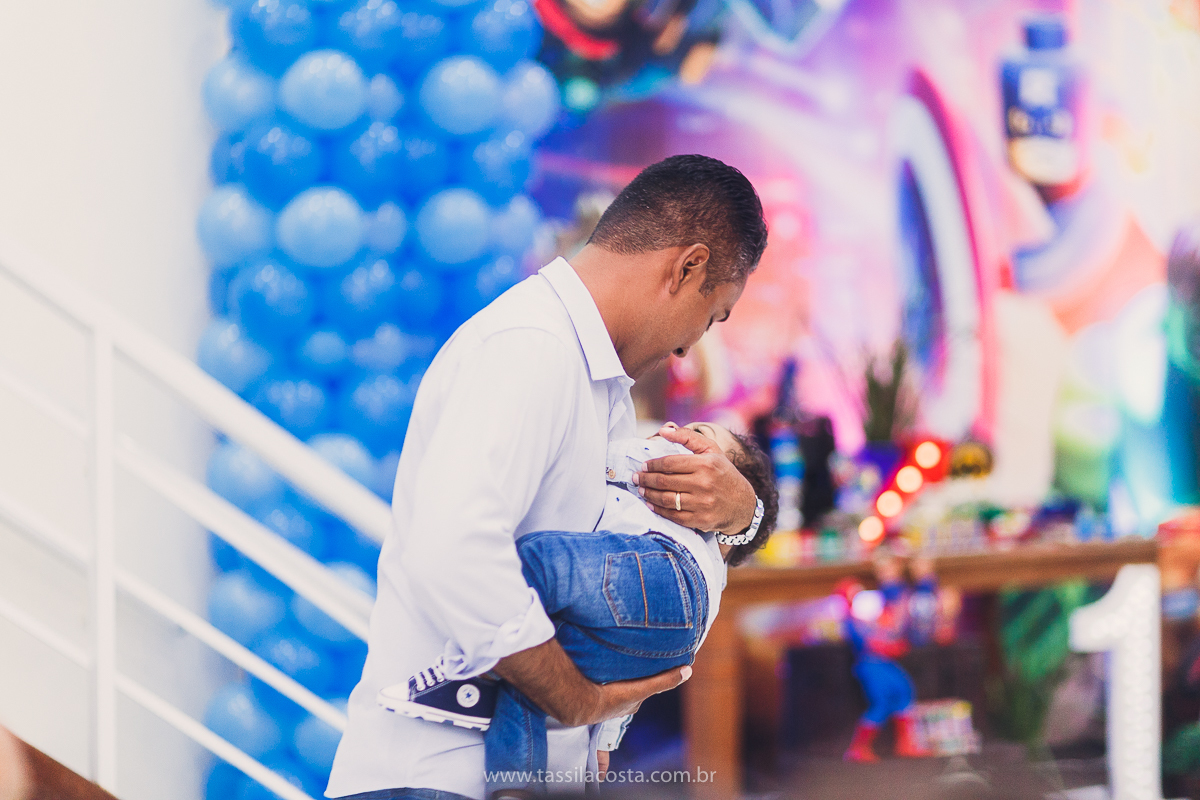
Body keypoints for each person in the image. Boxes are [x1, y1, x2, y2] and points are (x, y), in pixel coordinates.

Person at [325, 154, 769, 800]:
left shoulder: (594, 378)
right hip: (439, 780)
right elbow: (454, 553)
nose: (689, 347)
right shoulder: (530, 347)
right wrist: (575, 699)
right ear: (687, 267)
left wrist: (744, 511)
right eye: (712, 316)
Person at [378, 422, 780, 797]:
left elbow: (602, 460)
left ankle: (465, 669)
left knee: (536, 560)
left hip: (661, 569)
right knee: (535, 673)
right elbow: (637, 668)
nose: (674, 429)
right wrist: (605, 739)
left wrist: (587, 450)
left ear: (722, 485)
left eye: (697, 433)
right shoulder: (710, 584)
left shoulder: (666, 475)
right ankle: (515, 787)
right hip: (653, 634)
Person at [839, 552, 937, 762]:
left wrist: (924, 579)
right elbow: (876, 632)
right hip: (872, 662)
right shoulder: (862, 613)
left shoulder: (889, 603)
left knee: (903, 693)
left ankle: (906, 744)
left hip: (881, 660)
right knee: (883, 702)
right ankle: (858, 748)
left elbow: (907, 614)